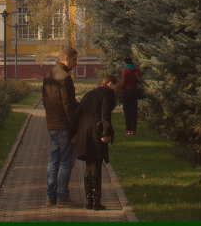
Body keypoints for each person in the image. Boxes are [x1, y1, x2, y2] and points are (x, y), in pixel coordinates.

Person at [70, 74, 117, 210]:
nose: (116, 90)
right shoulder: (107, 93)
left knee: (88, 167)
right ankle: (97, 202)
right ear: (109, 84)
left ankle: (88, 200)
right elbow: (105, 114)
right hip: (96, 133)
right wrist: (106, 134)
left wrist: (72, 133)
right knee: (96, 166)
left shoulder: (90, 94)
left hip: (84, 134)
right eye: (116, 87)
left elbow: (77, 113)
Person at [41, 44, 79, 207]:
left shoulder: (49, 76)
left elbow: (44, 101)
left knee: (53, 160)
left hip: (52, 123)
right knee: (66, 161)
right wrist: (74, 127)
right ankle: (62, 196)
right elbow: (68, 105)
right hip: (64, 125)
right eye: (74, 59)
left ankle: (51, 196)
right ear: (66, 58)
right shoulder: (65, 78)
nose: (75, 63)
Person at [119, 55, 143, 135]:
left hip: (126, 92)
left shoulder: (125, 70)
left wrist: (121, 89)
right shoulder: (136, 70)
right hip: (134, 91)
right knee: (134, 111)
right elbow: (140, 78)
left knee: (127, 111)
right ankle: (133, 130)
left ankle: (128, 130)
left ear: (125, 62)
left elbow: (123, 82)